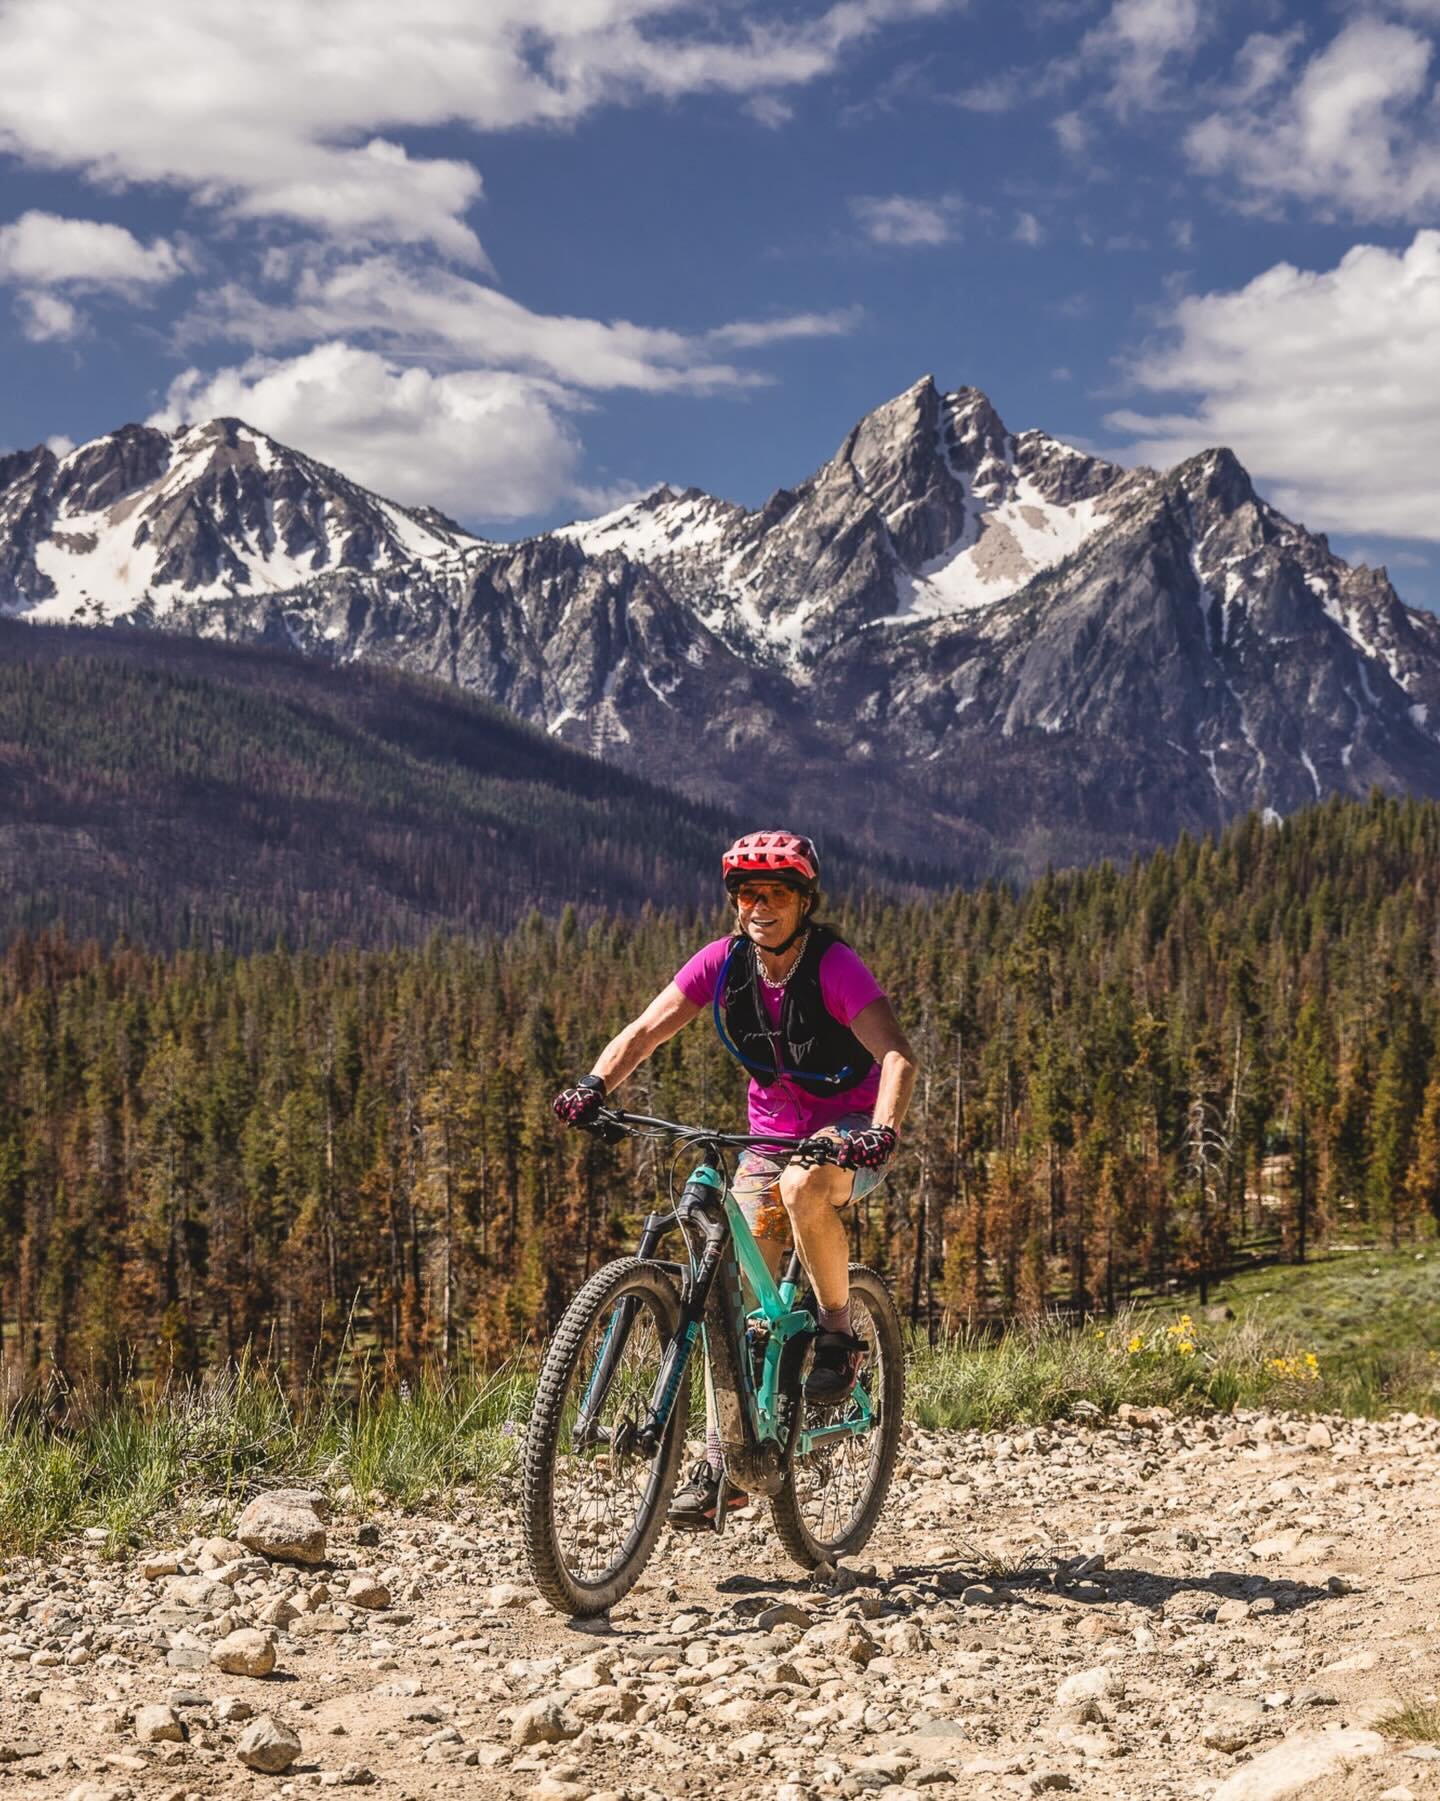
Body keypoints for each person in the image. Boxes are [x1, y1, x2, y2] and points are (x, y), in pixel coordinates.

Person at [552, 829, 917, 1529]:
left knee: (801, 1188)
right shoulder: (723, 964)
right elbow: (647, 1028)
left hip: (847, 1130)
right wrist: (594, 1082)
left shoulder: (834, 966)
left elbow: (896, 1054)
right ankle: (729, 1463)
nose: (759, 905)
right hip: (766, 1139)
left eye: (775, 893)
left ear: (804, 902)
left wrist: (881, 1131)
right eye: (747, 893)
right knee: (737, 1302)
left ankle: (838, 1333)